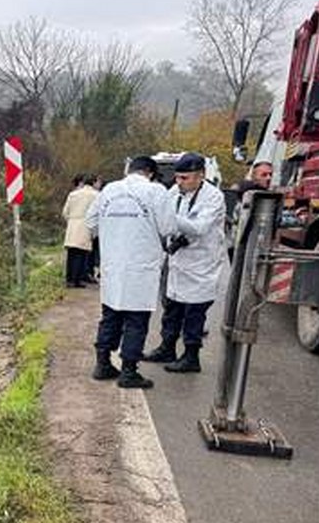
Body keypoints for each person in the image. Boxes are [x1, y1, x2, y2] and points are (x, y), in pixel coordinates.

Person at [85, 156, 177, 389]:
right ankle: (128, 372)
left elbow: (91, 223)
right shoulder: (156, 191)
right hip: (140, 267)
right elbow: (169, 228)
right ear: (151, 173)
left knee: (110, 315)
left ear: (130, 170)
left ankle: (103, 364)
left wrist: (114, 230)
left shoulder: (108, 190)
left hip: (113, 266)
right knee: (136, 321)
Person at [143, 153, 227, 373]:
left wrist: (168, 217)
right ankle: (167, 348)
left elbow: (198, 228)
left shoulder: (213, 197)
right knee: (172, 309)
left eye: (184, 178)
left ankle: (191, 357)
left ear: (201, 176)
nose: (179, 182)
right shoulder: (175, 192)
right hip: (178, 262)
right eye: (177, 178)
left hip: (201, 264)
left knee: (194, 313)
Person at [62, 174, 99, 288]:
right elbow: (97, 213)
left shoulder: (73, 194)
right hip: (85, 224)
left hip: (72, 225)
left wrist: (71, 220)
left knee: (72, 253)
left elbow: (65, 212)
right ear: (93, 183)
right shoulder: (96, 195)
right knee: (82, 254)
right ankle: (77, 280)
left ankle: (69, 279)